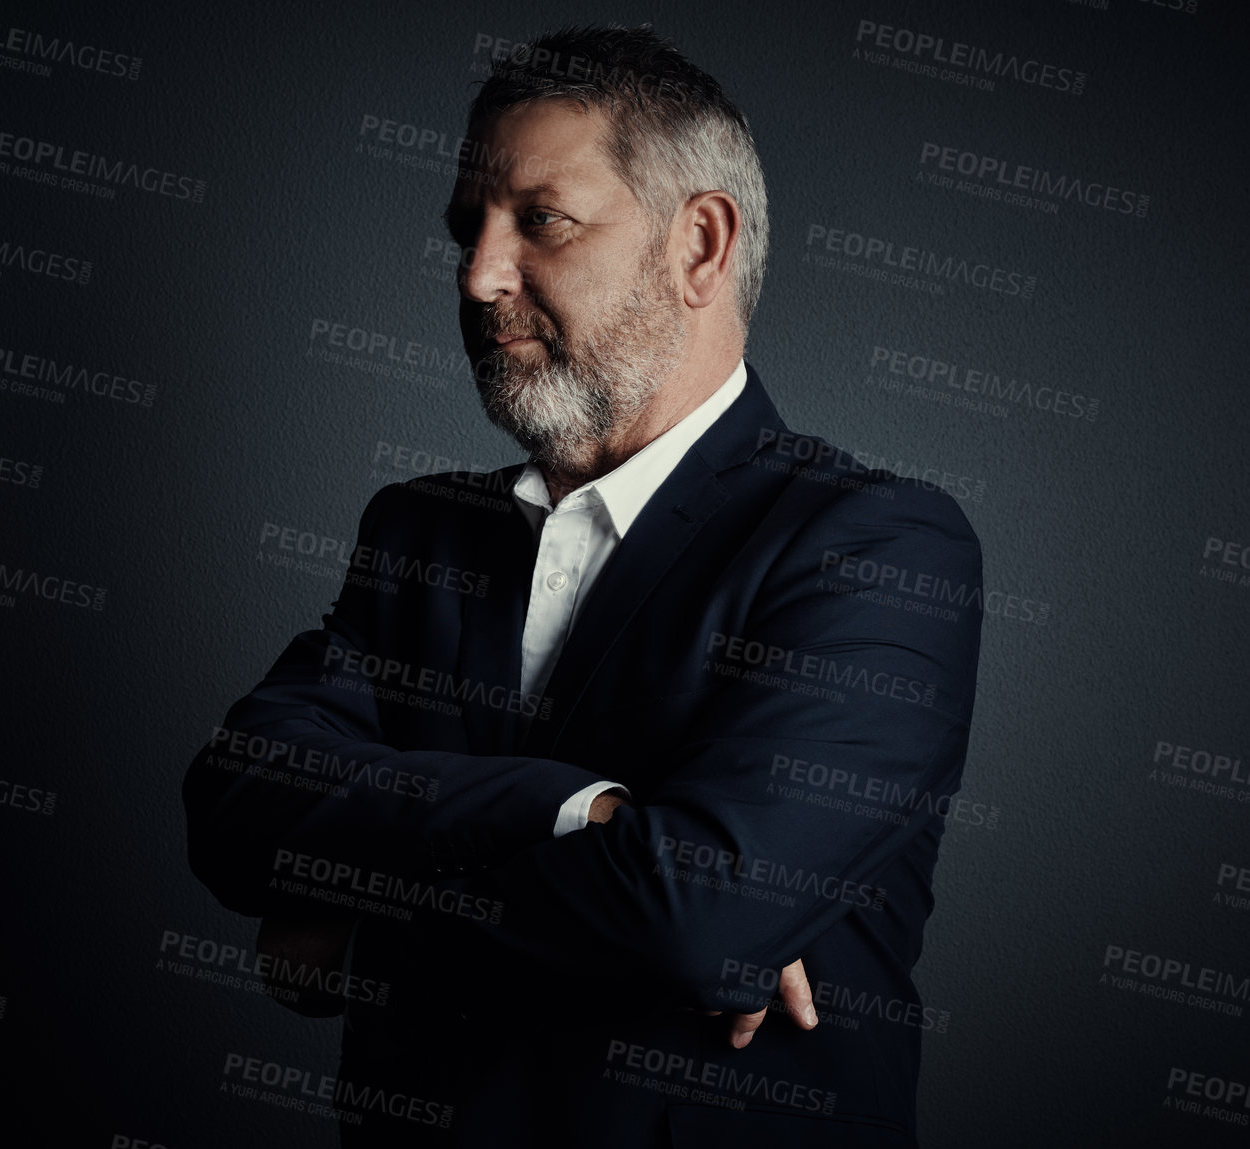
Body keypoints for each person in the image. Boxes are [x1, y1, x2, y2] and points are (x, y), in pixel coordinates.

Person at [183, 24, 982, 1148]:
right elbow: (233, 803)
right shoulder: (420, 531)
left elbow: (696, 918)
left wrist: (350, 939)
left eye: (537, 220)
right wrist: (582, 815)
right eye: (467, 228)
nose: (477, 275)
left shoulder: (877, 548)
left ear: (698, 245)